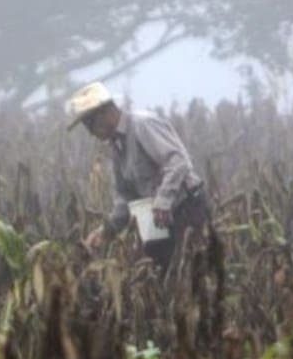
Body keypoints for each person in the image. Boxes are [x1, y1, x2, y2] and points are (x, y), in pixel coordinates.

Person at [65, 81, 208, 271]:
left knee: (190, 273)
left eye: (90, 124)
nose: (91, 133)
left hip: (186, 209)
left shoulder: (143, 125)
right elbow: (126, 196)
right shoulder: (116, 145)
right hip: (158, 219)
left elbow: (178, 160)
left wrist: (163, 199)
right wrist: (107, 230)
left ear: (105, 112)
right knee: (157, 273)